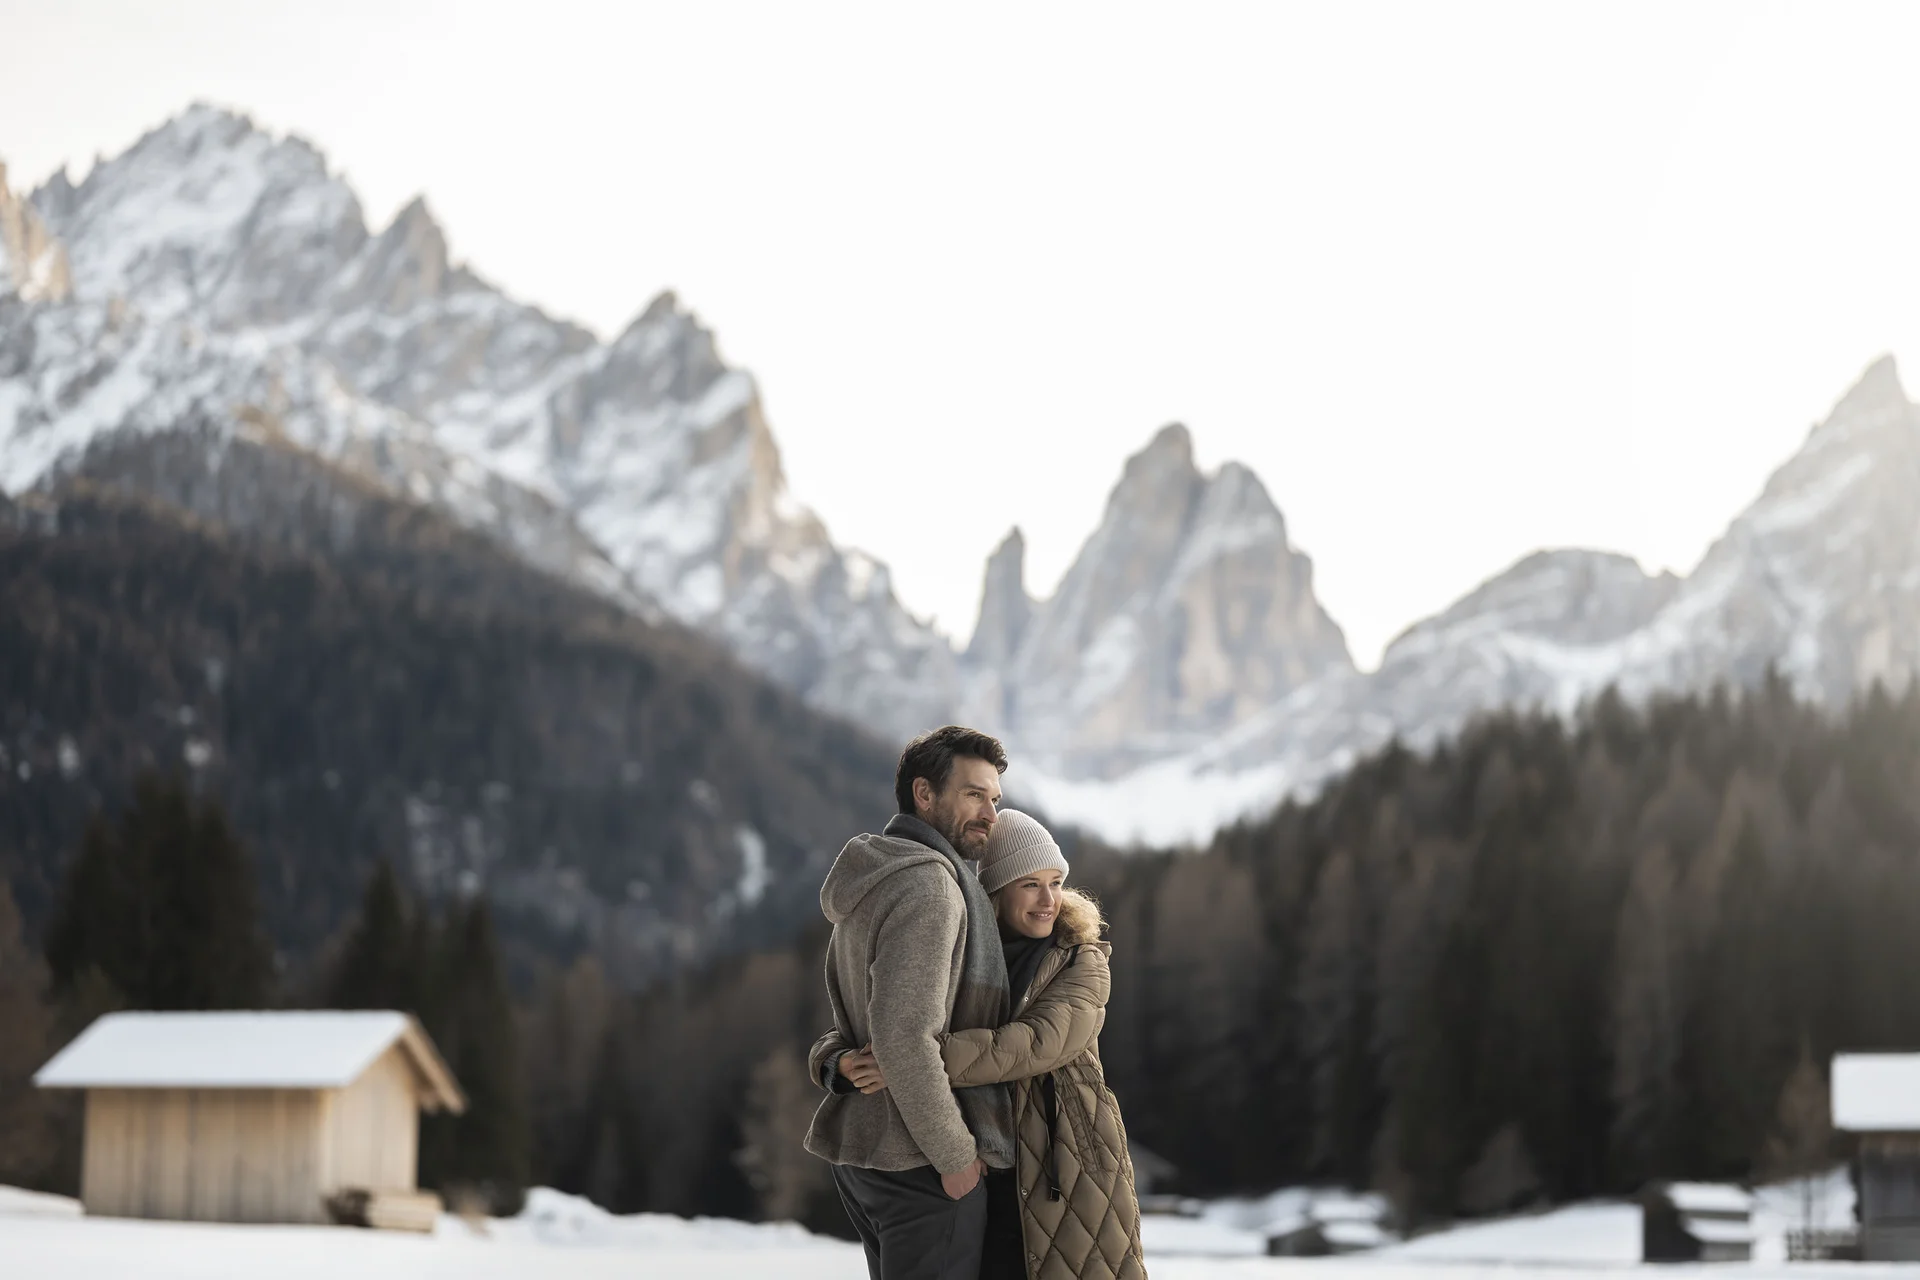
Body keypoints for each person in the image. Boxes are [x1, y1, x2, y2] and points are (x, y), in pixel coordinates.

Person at [814, 810, 1148, 1280]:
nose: (1048, 899)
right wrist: (837, 1060)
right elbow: (886, 1020)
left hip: (1064, 1162)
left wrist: (913, 1057)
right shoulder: (967, 953)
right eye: (1030, 884)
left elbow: (1032, 1044)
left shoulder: (1081, 958)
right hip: (987, 1157)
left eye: (1056, 882)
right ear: (997, 892)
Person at [804, 726, 1019, 1280]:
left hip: (868, 1156)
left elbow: (853, 1020)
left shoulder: (875, 878)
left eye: (994, 799)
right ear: (924, 795)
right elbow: (903, 1036)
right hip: (920, 1157)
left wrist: (835, 1064)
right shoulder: (930, 888)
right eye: (974, 795)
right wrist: (956, 1157)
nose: (990, 814)